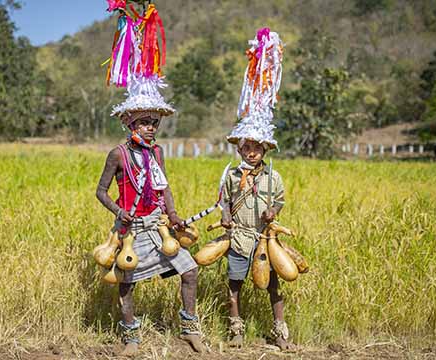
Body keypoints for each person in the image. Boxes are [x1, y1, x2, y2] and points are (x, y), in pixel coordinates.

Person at [96, 2, 203, 356]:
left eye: (155, 122)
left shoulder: (157, 153)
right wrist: (118, 210)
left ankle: (190, 329)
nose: (151, 128)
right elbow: (100, 191)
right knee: (127, 284)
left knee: (189, 272)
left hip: (158, 226)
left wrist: (173, 215)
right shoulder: (118, 154)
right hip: (131, 228)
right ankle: (131, 338)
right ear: (129, 124)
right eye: (144, 122)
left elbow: (163, 186)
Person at [218, 27, 295, 351]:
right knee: (234, 281)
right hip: (239, 235)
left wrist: (273, 212)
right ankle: (236, 329)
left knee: (273, 284)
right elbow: (223, 200)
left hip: (265, 237)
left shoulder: (272, 177)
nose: (251, 152)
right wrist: (224, 216)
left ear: (265, 150)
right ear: (239, 149)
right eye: (246, 146)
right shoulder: (232, 175)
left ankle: (280, 332)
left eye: (257, 148)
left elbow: (279, 201)